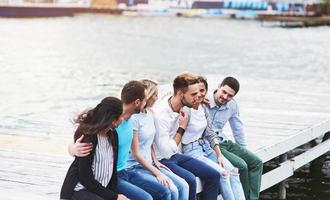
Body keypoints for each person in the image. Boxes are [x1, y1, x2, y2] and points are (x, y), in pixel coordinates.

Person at [68, 80, 171, 200]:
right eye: (145, 98)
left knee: (164, 192)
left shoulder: (130, 122)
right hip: (105, 179)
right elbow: (83, 138)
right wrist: (72, 148)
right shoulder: (110, 124)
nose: (146, 101)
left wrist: (155, 162)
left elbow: (142, 146)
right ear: (137, 102)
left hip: (121, 173)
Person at [153, 72, 220, 200]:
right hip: (161, 159)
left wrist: (200, 98)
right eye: (194, 94)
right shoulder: (161, 115)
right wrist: (181, 128)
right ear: (180, 94)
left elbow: (173, 89)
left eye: (199, 93)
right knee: (189, 179)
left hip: (175, 155)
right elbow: (166, 153)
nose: (198, 97)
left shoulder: (182, 104)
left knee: (214, 175)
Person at [181, 76, 245, 200]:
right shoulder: (185, 108)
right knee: (223, 174)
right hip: (192, 150)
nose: (199, 94)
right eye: (196, 92)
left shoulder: (203, 108)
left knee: (233, 171)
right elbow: (172, 99)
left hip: (206, 147)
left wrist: (219, 154)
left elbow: (210, 133)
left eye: (202, 91)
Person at [126, 79, 189, 200]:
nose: (157, 97)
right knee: (172, 190)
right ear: (147, 96)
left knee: (184, 186)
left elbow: (149, 143)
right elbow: (136, 153)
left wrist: (156, 161)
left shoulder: (151, 114)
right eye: (155, 94)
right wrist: (157, 173)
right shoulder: (134, 119)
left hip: (150, 163)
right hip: (135, 167)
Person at [60, 96, 128, 200]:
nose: (123, 119)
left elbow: (112, 170)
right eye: (121, 116)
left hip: (97, 191)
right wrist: (114, 197)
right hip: (77, 191)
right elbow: (86, 179)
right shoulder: (89, 137)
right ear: (113, 120)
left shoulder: (113, 135)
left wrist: (113, 196)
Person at [207, 76, 263, 200]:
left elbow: (237, 128)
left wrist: (243, 151)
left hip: (225, 141)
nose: (225, 97)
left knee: (256, 163)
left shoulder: (232, 105)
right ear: (219, 87)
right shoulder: (204, 100)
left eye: (230, 95)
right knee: (242, 166)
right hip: (212, 145)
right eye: (224, 92)